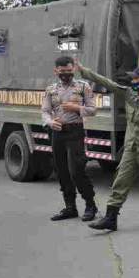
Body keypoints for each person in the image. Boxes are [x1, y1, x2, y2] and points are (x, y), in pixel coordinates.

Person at [81, 63, 139, 231]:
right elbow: (108, 83)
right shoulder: (130, 95)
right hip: (130, 148)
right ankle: (110, 218)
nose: (133, 81)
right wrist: (84, 71)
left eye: (136, 78)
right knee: (120, 181)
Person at [42, 56, 98, 222]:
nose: (66, 74)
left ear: (73, 69)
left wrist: (77, 108)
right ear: (56, 71)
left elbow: (93, 110)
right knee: (61, 171)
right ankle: (70, 207)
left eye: (69, 71)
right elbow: (45, 111)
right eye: (62, 71)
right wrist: (51, 122)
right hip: (57, 133)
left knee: (77, 170)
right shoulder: (51, 89)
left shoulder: (83, 87)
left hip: (75, 131)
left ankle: (90, 205)